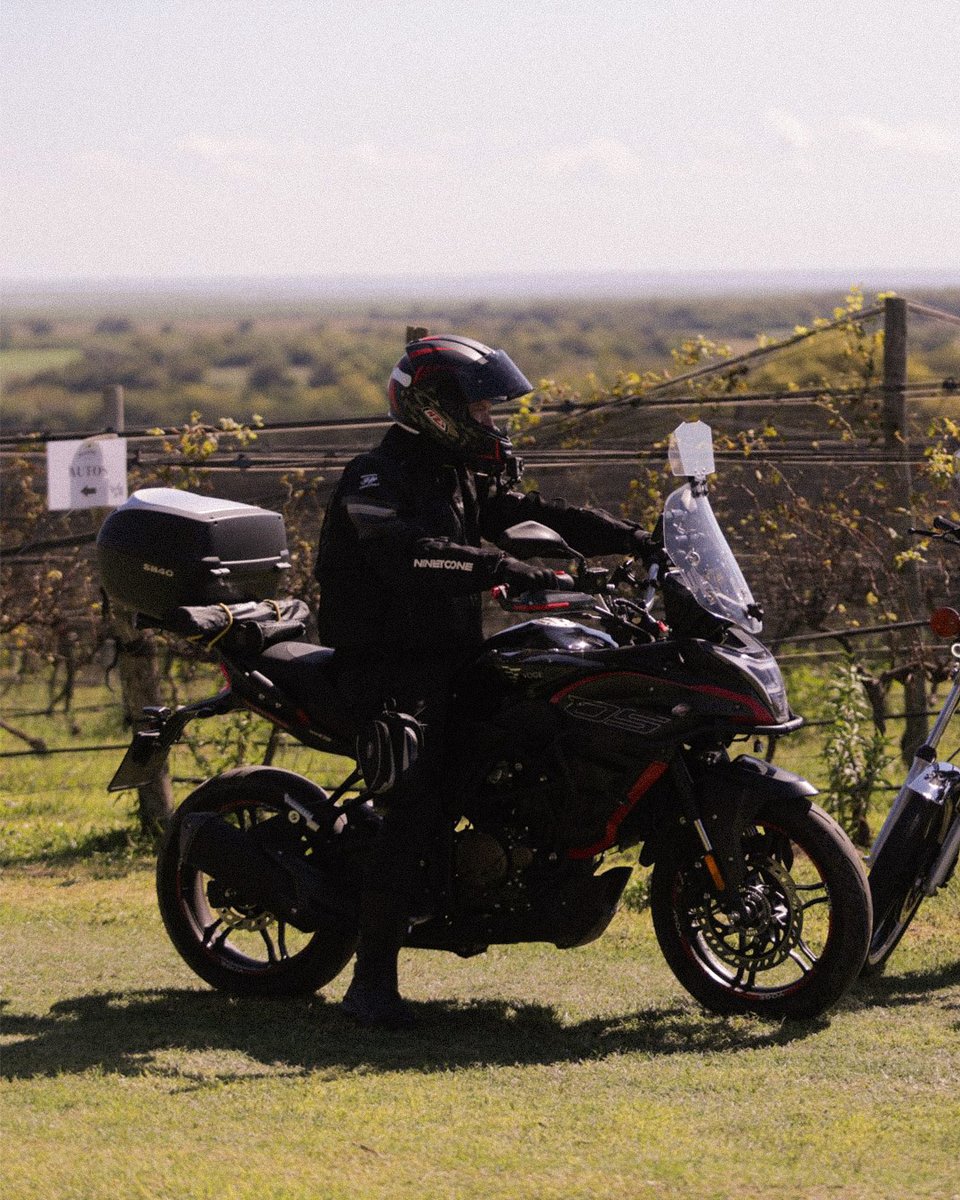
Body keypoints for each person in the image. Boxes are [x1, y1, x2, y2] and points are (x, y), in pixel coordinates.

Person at [315, 333, 652, 1028]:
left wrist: (635, 538)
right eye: (480, 407)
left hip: (452, 657)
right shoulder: (375, 478)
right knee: (420, 802)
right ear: (435, 408)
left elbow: (533, 514)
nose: (491, 420)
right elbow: (411, 555)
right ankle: (370, 983)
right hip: (385, 667)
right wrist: (500, 568)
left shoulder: (461, 472)